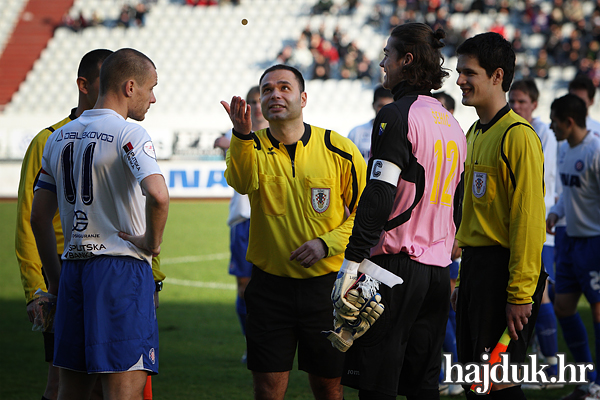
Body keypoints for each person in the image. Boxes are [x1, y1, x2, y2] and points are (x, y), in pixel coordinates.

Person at [331, 23, 467, 400]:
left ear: (407, 60)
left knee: (377, 386)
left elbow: (378, 195)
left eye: (388, 54)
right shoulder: (453, 124)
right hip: (439, 275)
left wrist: (351, 261)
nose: (382, 62)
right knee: (423, 387)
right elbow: (458, 205)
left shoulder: (395, 114)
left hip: (393, 269)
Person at [221, 64, 367, 400]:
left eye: (284, 87)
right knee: (268, 389)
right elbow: (241, 183)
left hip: (327, 289)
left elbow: (366, 215)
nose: (275, 94)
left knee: (328, 386)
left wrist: (325, 244)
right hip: (270, 289)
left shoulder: (339, 148)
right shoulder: (249, 145)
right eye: (267, 90)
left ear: (303, 98)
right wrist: (242, 135)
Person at [30, 48, 169, 400]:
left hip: (73, 271)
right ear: (129, 86)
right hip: (120, 273)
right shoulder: (131, 134)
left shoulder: (57, 138)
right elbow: (159, 195)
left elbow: (38, 217)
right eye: (150, 88)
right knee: (123, 392)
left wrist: (58, 282)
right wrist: (151, 242)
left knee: (70, 392)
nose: (153, 98)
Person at [452, 32, 547, 400]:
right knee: (476, 382)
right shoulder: (474, 132)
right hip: (477, 272)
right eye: (460, 71)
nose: (460, 79)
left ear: (497, 76)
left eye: (469, 72)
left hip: (504, 274)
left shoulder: (518, 135)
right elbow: (475, 218)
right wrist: (463, 281)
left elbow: (528, 220)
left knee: (498, 383)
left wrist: (522, 294)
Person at [15, 49, 114, 400]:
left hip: (111, 271)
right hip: (61, 271)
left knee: (111, 378)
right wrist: (36, 289)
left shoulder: (123, 137)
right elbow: (30, 219)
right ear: (83, 85)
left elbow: (139, 211)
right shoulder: (49, 140)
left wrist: (154, 278)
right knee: (61, 380)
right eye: (107, 81)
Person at [546, 94, 600, 400]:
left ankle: (598, 384)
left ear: (568, 122)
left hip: (594, 242)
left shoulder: (595, 151)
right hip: (569, 241)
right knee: (563, 306)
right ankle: (587, 377)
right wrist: (556, 212)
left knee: (598, 312)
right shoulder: (565, 150)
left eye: (555, 121)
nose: (552, 126)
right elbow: (568, 191)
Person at [508, 78, 560, 386]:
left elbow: (544, 184)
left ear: (534, 105)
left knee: (539, 296)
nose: (516, 107)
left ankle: (551, 368)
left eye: (522, 102)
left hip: (538, 230)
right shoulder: (517, 131)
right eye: (513, 101)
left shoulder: (542, 135)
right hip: (523, 227)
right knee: (532, 296)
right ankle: (540, 364)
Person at [214, 86, 269, 363]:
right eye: (252, 102)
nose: (257, 107)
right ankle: (251, 343)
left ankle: (272, 341)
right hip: (243, 221)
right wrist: (230, 140)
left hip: (271, 219)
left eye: (260, 101)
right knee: (245, 288)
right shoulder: (239, 133)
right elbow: (218, 141)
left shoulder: (277, 133)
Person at [347, 85, 393, 162]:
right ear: (373, 105)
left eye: (388, 107)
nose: (384, 111)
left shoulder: (400, 134)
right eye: (380, 106)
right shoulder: (356, 132)